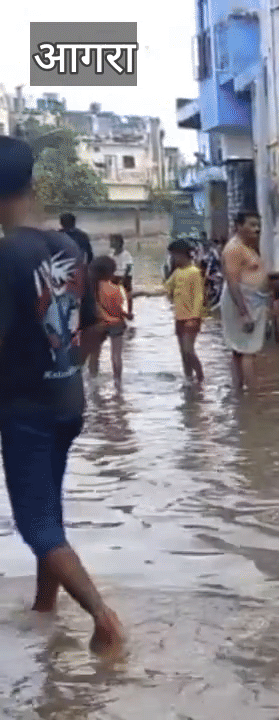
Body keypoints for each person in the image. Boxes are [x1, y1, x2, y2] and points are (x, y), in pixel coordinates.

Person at [0, 136, 125, 654]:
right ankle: (44, 608)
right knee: (48, 507)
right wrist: (62, 367)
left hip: (24, 407)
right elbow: (94, 326)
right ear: (32, 184)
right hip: (68, 401)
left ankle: (103, 618)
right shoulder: (69, 248)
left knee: (35, 524)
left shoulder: (7, 254)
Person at [221, 212, 268, 391]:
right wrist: (244, 313)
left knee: (240, 350)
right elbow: (232, 281)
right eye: (252, 225)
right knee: (247, 351)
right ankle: (252, 397)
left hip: (251, 301)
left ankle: (240, 393)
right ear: (239, 226)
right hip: (243, 303)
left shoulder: (246, 247)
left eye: (258, 225)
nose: (257, 229)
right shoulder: (234, 248)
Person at [164, 240, 205, 384]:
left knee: (188, 350)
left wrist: (194, 317)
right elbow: (168, 288)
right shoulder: (177, 273)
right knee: (183, 352)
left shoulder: (194, 272)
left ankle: (200, 376)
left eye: (174, 256)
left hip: (191, 318)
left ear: (182, 255)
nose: (173, 259)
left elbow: (199, 297)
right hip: (179, 317)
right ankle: (188, 378)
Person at [86, 256, 130, 384]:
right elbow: (120, 308)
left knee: (94, 355)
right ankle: (118, 381)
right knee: (116, 355)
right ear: (111, 272)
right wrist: (126, 316)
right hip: (116, 323)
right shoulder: (115, 289)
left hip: (98, 324)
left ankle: (93, 380)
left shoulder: (91, 289)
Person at [107, 233, 133, 317]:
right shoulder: (111, 255)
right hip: (115, 276)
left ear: (119, 242)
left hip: (125, 276)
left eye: (112, 241)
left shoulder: (126, 254)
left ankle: (129, 311)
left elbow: (128, 267)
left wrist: (124, 277)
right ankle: (115, 309)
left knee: (128, 294)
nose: (110, 243)